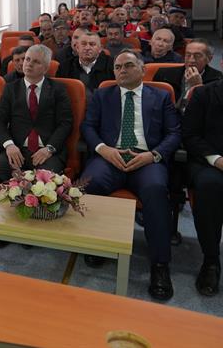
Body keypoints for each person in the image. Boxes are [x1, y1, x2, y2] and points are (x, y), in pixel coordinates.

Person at [80, 50, 181, 301]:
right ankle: (96, 244)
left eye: (128, 65)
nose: (122, 71)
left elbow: (174, 133)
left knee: (156, 191)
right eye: (117, 67)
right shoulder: (103, 95)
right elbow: (88, 127)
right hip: (110, 158)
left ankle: (160, 265)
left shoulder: (160, 96)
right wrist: (104, 149)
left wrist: (153, 155)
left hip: (146, 160)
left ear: (143, 69)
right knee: (87, 185)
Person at [0, 45, 73, 250]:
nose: (28, 64)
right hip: (17, 149)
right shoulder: (11, 88)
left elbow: (66, 123)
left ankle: (32, 231)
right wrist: (9, 145)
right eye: (27, 59)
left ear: (46, 67)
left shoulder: (58, 89)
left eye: (35, 61)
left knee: (44, 182)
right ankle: (5, 226)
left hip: (46, 151)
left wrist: (49, 148)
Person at [182, 75, 223, 296]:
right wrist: (217, 160)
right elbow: (190, 136)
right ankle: (211, 260)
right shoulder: (203, 94)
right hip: (210, 161)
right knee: (209, 186)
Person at [153, 39, 222, 112]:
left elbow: (213, 110)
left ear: (209, 59)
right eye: (188, 55)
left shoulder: (218, 79)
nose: (191, 60)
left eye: (197, 56)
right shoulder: (164, 74)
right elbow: (154, 103)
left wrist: (198, 87)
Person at [55, 32, 114, 96]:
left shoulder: (112, 65)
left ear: (100, 49)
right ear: (77, 48)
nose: (87, 48)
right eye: (83, 44)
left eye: (92, 44)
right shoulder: (64, 67)